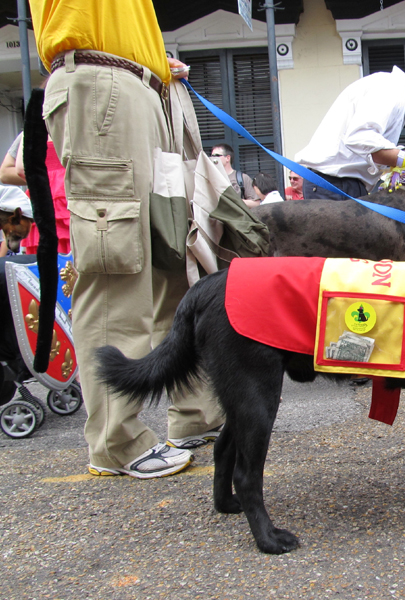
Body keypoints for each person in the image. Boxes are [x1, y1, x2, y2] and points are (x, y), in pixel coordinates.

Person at [29, 0, 224, 478]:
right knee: (116, 267)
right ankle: (116, 440)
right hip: (102, 85)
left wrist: (154, 61)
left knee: (171, 259)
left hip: (139, 86)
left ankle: (193, 416)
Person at [295, 64, 405, 201]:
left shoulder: (399, 95)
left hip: (340, 186)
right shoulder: (393, 87)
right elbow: (359, 137)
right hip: (332, 184)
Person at [210, 143, 259, 208]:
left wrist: (236, 201)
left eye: (216, 156)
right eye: (211, 156)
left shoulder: (242, 178)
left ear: (227, 158)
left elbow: (256, 203)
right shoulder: (210, 179)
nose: (213, 159)